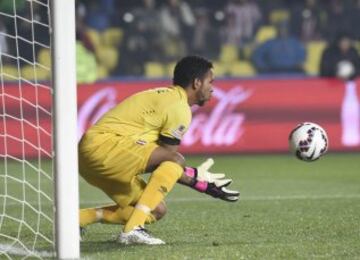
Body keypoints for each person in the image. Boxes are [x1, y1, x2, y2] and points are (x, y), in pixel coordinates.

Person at [78, 56, 239, 245]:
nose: (212, 88)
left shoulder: (166, 96)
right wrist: (199, 182)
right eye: (210, 82)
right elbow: (169, 162)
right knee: (175, 160)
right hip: (103, 147)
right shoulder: (179, 107)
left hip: (88, 157)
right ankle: (133, 230)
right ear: (197, 83)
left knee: (155, 209)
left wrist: (194, 178)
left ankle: (78, 219)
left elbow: (166, 165)